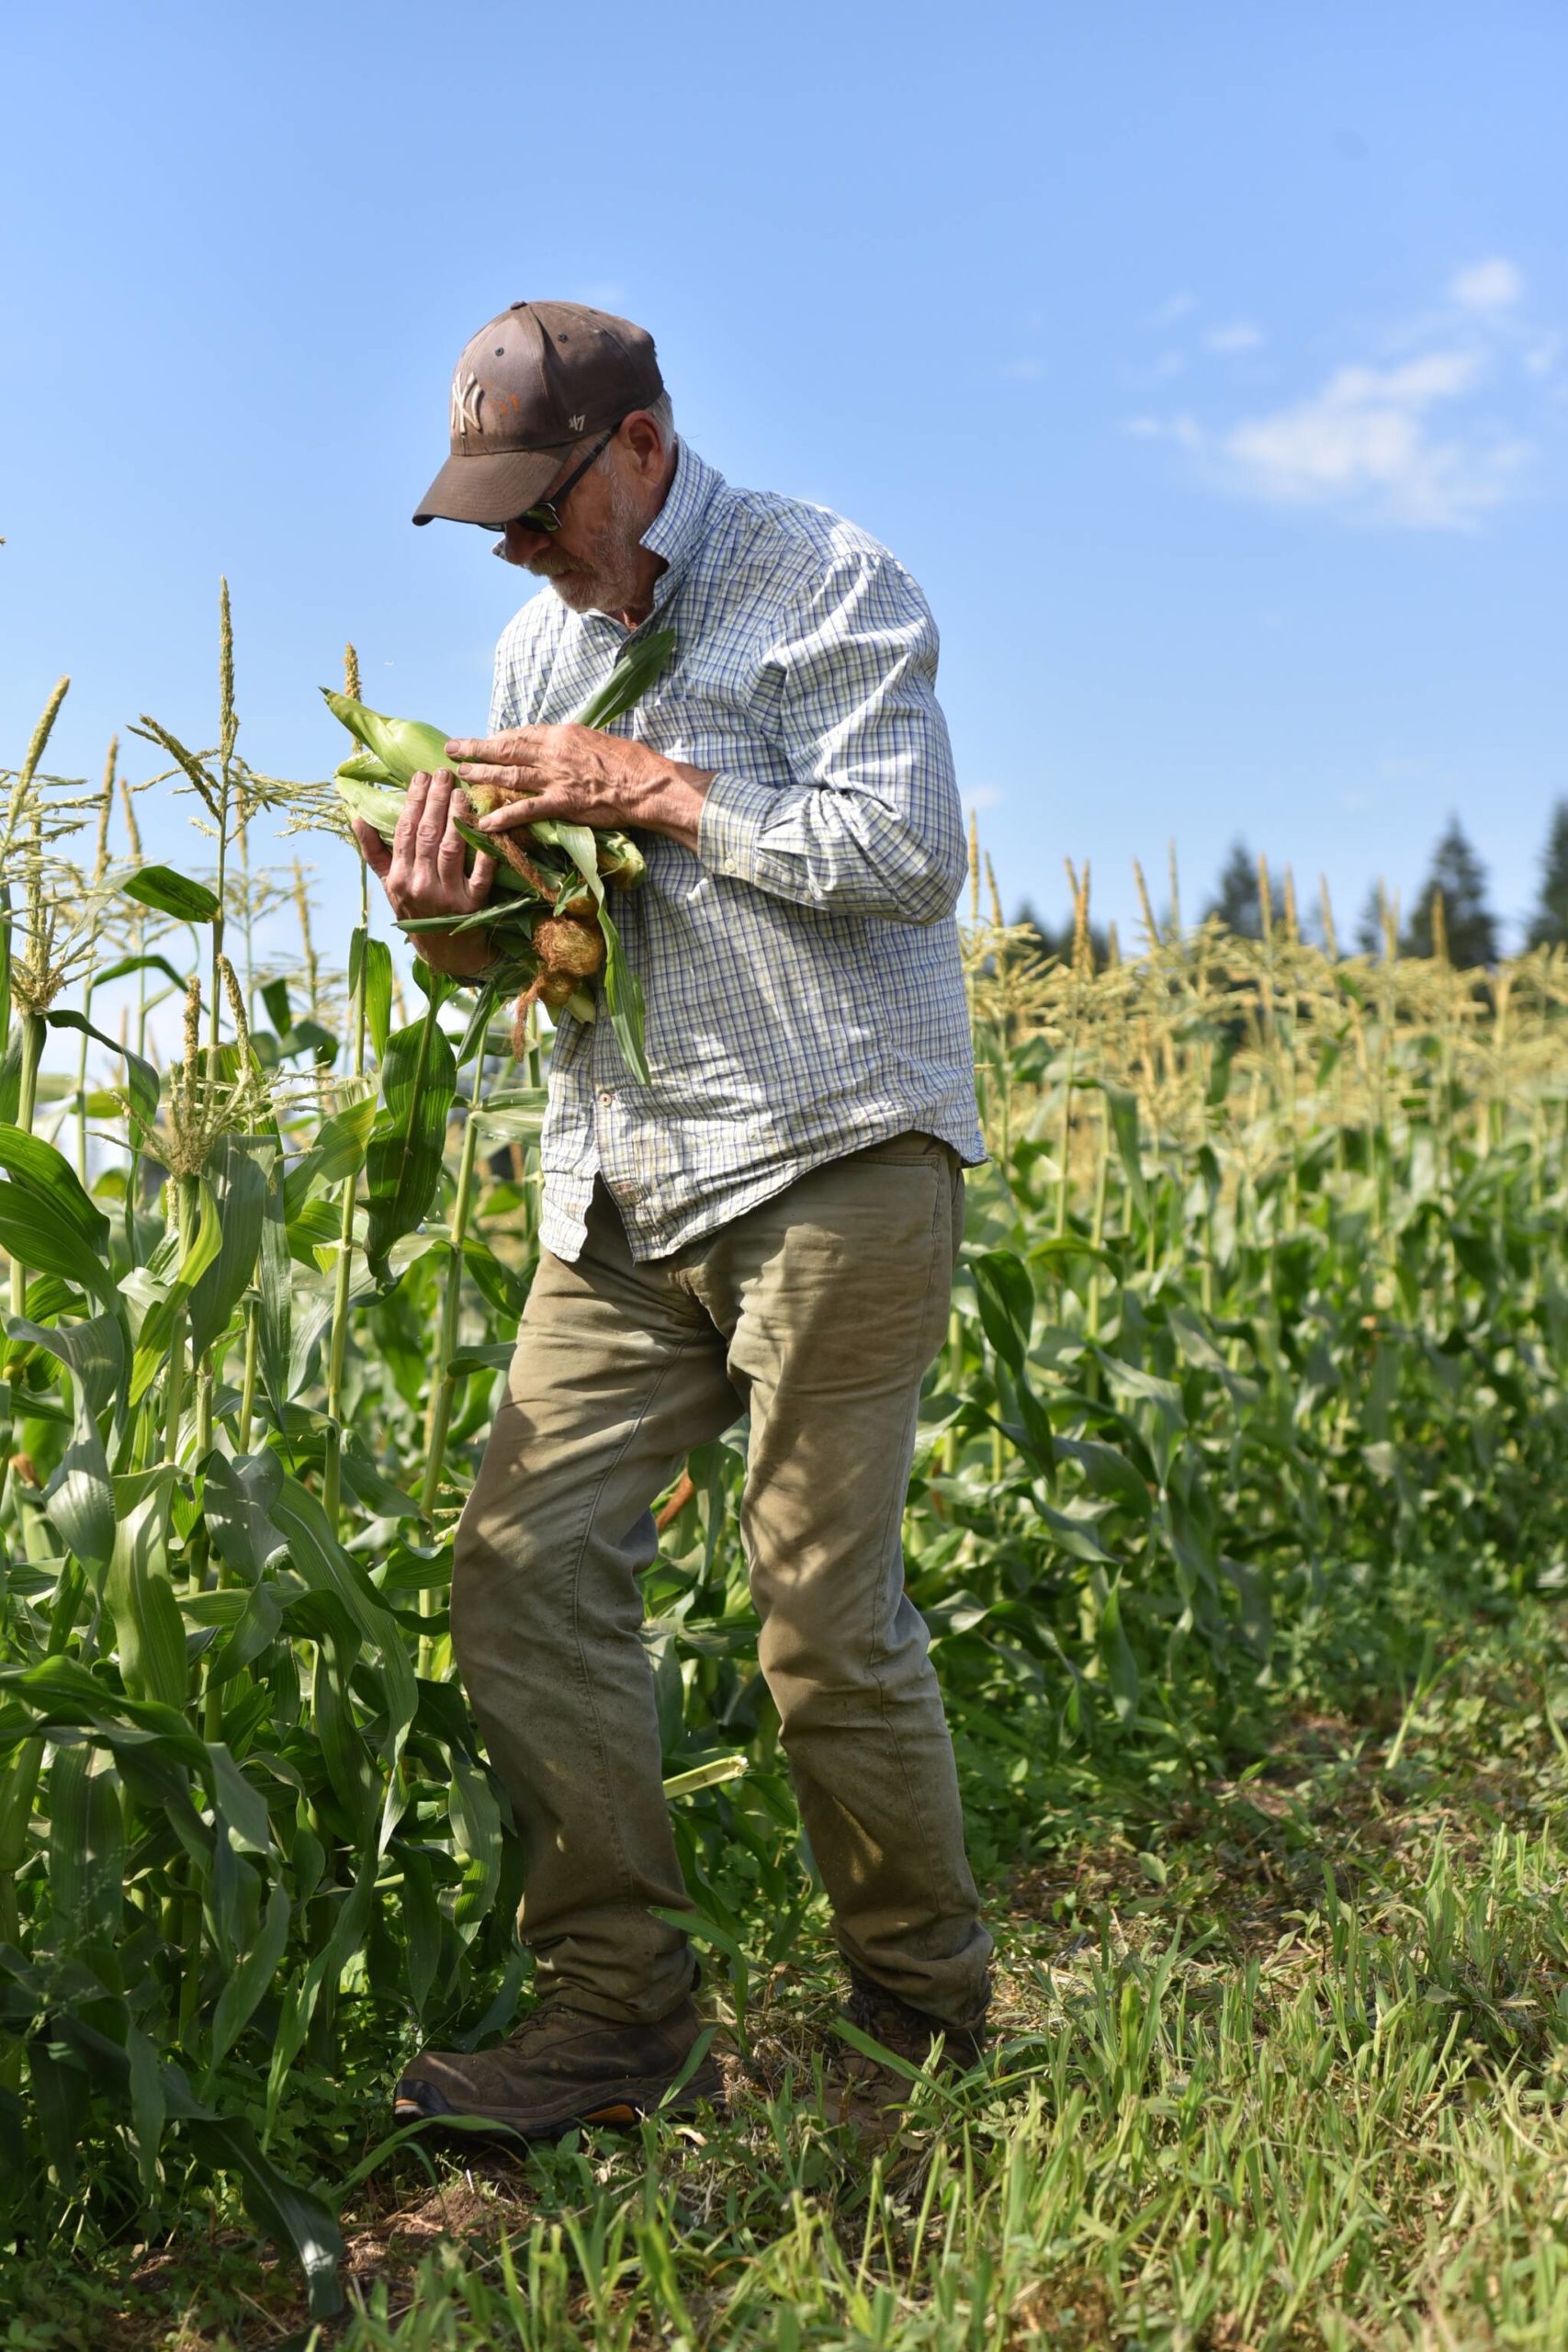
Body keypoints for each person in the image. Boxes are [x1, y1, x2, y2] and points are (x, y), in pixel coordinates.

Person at [354, 300, 993, 2140]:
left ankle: (920, 2013)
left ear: (638, 446)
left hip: (830, 1154)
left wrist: (647, 782)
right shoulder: (529, 652)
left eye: (534, 500)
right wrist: (441, 919)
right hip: (619, 1184)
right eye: (485, 513)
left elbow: (903, 852)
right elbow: (546, 966)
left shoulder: (818, 580)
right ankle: (617, 2007)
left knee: (814, 1611)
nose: (512, 541)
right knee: (521, 1565)